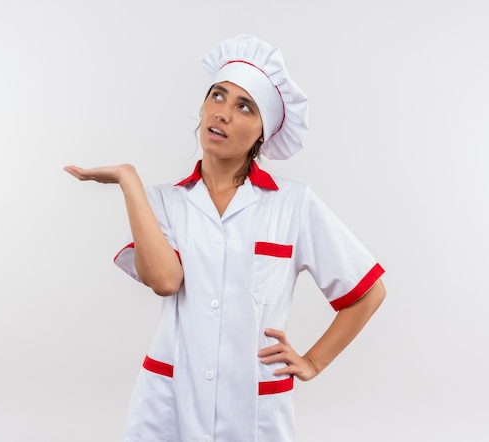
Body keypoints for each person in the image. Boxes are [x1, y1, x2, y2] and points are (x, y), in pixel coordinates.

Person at [64, 34, 386, 442]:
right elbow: (165, 281)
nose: (223, 114)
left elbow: (368, 292)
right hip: (169, 402)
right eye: (217, 96)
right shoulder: (164, 201)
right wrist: (129, 180)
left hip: (255, 408)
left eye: (244, 106)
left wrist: (312, 362)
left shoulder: (293, 204)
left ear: (262, 134)